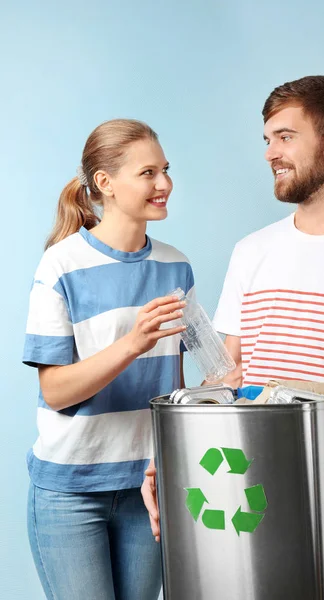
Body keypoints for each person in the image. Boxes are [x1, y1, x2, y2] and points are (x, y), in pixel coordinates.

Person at [142, 77, 324, 600]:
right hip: (233, 520)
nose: (271, 153)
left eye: (285, 137)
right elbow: (225, 376)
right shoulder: (252, 252)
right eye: (267, 140)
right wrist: (170, 457)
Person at [23, 119, 193, 600]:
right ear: (105, 184)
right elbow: (55, 390)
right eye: (148, 173)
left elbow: (178, 385)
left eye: (165, 170)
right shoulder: (60, 265)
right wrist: (131, 344)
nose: (164, 184)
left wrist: (227, 381)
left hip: (148, 489)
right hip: (70, 491)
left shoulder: (176, 265)